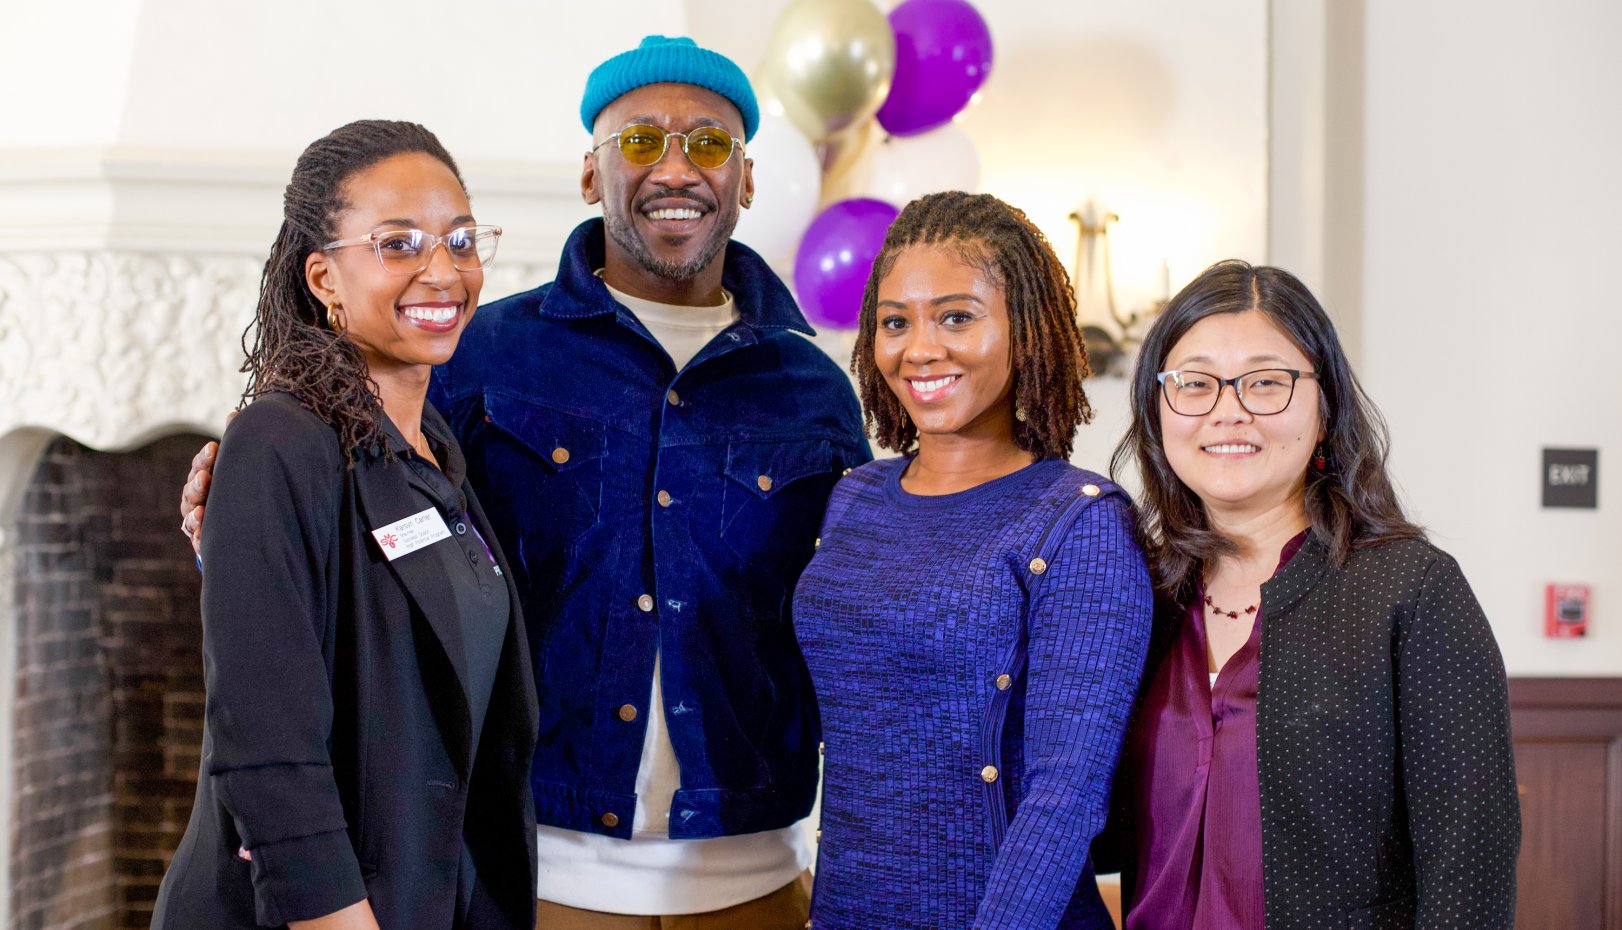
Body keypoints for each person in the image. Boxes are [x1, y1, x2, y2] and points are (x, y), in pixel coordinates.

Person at [179, 36, 868, 930]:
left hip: (757, 882)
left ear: (745, 179)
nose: (675, 168)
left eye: (708, 144)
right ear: (589, 173)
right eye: (639, 140)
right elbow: (352, 552)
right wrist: (238, 516)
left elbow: (855, 617)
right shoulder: (479, 356)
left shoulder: (817, 391)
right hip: (537, 878)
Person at [154, 120, 537, 930]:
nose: (444, 270)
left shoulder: (436, 447)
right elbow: (265, 741)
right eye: (399, 244)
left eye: (460, 239)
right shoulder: (278, 441)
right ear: (324, 276)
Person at [1107, 260, 1519, 930]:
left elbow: (1468, 872)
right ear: (1157, 410)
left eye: (1266, 383)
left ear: (1325, 409)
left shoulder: (1412, 590)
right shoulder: (1132, 596)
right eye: (1195, 383)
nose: (1228, 411)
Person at [792, 191, 1153, 930]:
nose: (920, 349)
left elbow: (1065, 798)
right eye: (896, 322)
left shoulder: (1081, 521)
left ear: (1027, 329)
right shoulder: (854, 496)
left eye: (957, 317)